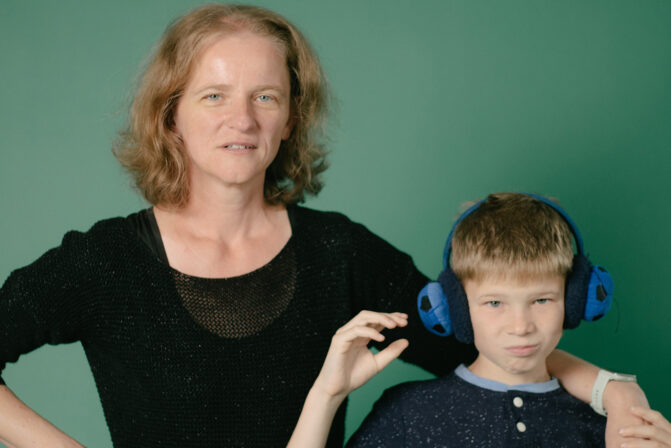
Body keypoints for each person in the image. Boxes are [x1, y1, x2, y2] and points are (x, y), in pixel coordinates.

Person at [0, 5, 647, 448]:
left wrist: (614, 394)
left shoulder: (340, 253)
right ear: (171, 117)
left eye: (265, 96)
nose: (242, 120)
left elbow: (479, 338)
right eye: (214, 96)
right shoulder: (104, 260)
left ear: (290, 119)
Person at [289, 193, 668, 447]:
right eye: (494, 303)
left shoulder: (610, 426)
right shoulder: (407, 415)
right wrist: (327, 393)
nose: (520, 326)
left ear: (574, 301)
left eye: (541, 300)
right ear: (454, 308)